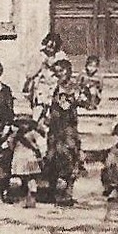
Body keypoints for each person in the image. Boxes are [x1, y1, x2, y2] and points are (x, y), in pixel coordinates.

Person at [42, 59, 82, 206]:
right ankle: (51, 191)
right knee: (51, 157)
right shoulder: (54, 86)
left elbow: (69, 105)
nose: (59, 74)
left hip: (67, 128)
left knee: (68, 156)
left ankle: (68, 192)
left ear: (68, 71)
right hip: (55, 127)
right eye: (57, 72)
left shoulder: (73, 87)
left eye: (62, 71)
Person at [22, 33, 66, 116]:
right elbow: (30, 74)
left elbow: (65, 72)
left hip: (54, 86)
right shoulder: (39, 56)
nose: (50, 50)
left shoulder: (60, 56)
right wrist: (41, 65)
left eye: (54, 48)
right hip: (41, 86)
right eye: (49, 47)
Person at [8, 113, 46, 208]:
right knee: (21, 179)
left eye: (26, 123)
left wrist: (40, 153)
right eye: (21, 123)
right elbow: (10, 143)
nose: (23, 126)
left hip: (30, 158)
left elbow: (41, 143)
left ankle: (32, 198)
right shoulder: (16, 135)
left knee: (31, 178)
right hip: (19, 158)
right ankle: (24, 198)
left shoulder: (33, 134)